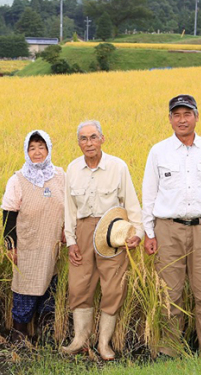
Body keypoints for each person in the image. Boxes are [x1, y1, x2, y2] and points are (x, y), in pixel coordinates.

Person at [142, 94, 201, 357]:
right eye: (176, 115)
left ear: (197, 116)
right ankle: (170, 350)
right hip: (168, 229)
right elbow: (149, 194)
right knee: (170, 293)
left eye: (187, 114)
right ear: (169, 119)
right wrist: (149, 232)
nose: (182, 120)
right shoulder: (159, 151)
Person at [62, 120, 143, 361]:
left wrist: (137, 232)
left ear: (102, 139)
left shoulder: (118, 166)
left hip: (113, 232)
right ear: (78, 143)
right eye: (84, 138)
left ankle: (104, 343)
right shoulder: (73, 169)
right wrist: (71, 241)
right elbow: (69, 208)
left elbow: (131, 201)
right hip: (83, 230)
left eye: (93, 137)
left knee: (113, 286)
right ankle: (79, 339)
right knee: (79, 285)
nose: (89, 143)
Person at [1, 130, 65, 342]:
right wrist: (10, 245)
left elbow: (69, 209)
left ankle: (44, 333)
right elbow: (9, 213)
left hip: (52, 245)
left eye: (41, 147)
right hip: (28, 245)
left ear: (48, 149)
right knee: (25, 289)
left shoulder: (60, 176)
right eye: (32, 148)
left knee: (50, 287)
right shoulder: (18, 179)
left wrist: (66, 231)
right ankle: (19, 332)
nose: (37, 152)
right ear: (26, 152)